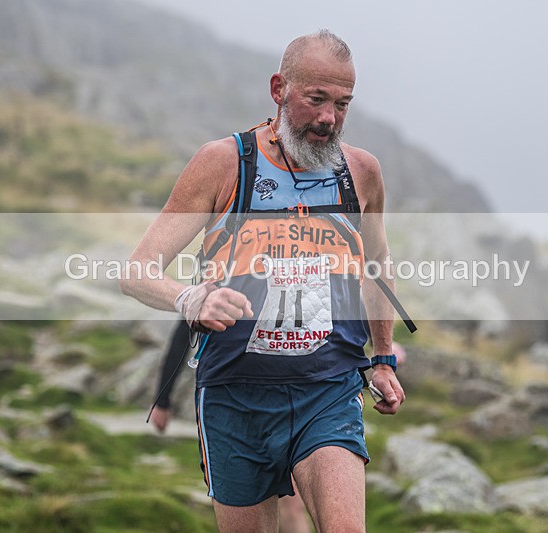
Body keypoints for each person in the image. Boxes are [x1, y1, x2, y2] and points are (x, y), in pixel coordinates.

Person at [122, 30, 405, 532]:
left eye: (342, 104)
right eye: (315, 99)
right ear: (278, 89)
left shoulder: (361, 172)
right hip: (236, 395)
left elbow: (376, 267)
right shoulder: (224, 163)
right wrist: (189, 298)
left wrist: (382, 359)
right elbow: (137, 271)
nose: (328, 118)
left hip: (328, 389)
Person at [149, 318, 313, 533]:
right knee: (265, 507)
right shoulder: (217, 289)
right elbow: (183, 335)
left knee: (292, 506)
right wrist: (162, 399)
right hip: (237, 406)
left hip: (284, 402)